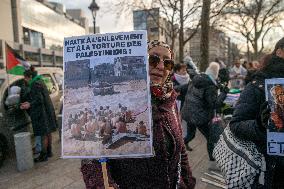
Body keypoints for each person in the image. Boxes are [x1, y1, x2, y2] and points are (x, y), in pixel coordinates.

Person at [81, 40, 196, 189]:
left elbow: (180, 149)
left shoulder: (170, 100)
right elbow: (92, 157)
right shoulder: (116, 102)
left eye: (167, 62)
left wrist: (188, 182)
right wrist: (102, 185)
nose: (161, 66)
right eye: (153, 59)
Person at [229, 37, 284, 188]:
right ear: (279, 52)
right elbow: (236, 124)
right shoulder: (259, 83)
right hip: (272, 170)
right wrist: (260, 125)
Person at [181, 62, 228, 160]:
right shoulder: (210, 86)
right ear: (216, 73)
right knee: (210, 137)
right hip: (199, 116)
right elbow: (214, 104)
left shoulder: (197, 78)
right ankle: (212, 159)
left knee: (191, 134)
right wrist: (224, 93)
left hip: (188, 112)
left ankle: (180, 146)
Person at [20, 70, 57, 162]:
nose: (25, 80)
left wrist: (29, 104)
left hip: (42, 114)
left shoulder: (34, 85)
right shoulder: (40, 81)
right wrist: (29, 102)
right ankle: (49, 152)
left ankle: (43, 156)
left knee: (43, 134)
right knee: (48, 132)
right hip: (47, 111)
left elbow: (39, 100)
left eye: (26, 78)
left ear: (30, 77)